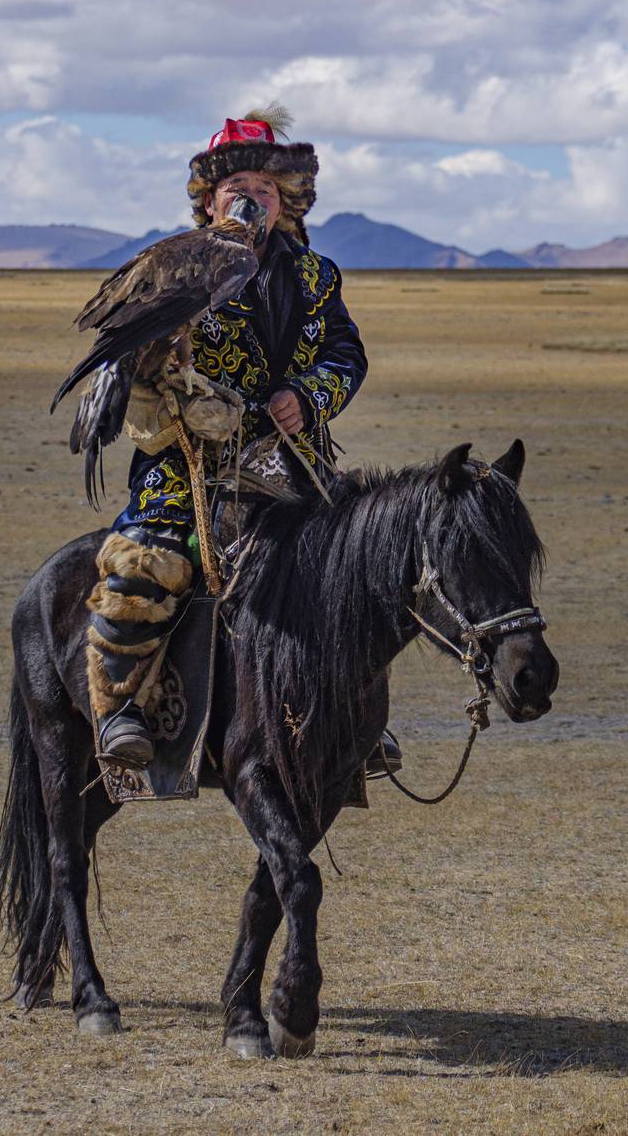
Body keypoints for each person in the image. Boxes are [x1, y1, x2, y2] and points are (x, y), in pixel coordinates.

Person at [86, 110, 374, 768]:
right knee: (147, 562)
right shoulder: (182, 266)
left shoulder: (319, 276)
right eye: (236, 187)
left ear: (287, 201)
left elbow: (345, 354)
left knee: (355, 561)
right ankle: (120, 708)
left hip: (288, 458)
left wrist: (308, 397)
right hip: (188, 460)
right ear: (211, 202)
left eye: (265, 189)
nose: (252, 199)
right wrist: (173, 389)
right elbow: (136, 355)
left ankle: (353, 713)